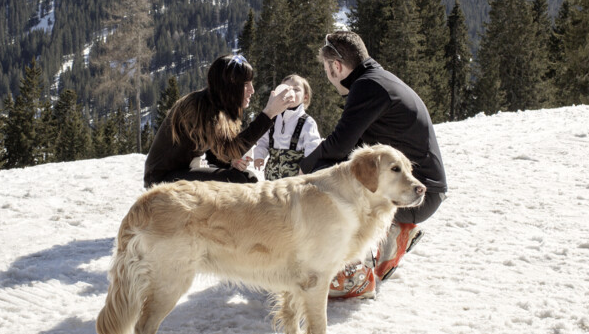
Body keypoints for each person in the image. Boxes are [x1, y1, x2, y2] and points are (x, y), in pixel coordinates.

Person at [299, 31, 447, 298]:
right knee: (344, 171)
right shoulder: (376, 81)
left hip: (417, 194)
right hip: (422, 190)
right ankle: (396, 232)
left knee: (330, 186)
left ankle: (355, 277)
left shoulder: (368, 86)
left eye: (326, 69)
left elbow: (339, 145)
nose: (327, 76)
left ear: (336, 66)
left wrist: (303, 171)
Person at [143, 54, 294, 187]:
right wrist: (269, 113)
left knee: (248, 178)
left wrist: (229, 162)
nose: (252, 90)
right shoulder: (201, 108)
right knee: (237, 181)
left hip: (180, 171)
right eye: (246, 84)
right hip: (161, 180)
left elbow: (214, 150)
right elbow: (231, 149)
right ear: (230, 86)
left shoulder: (214, 104)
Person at [252, 74, 323, 180]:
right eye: (286, 89)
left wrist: (308, 168)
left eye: (296, 89)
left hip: (295, 178)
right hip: (272, 175)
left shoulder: (307, 122)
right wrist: (259, 156)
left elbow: (312, 146)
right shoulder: (272, 118)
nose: (290, 92)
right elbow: (263, 141)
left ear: (305, 97)